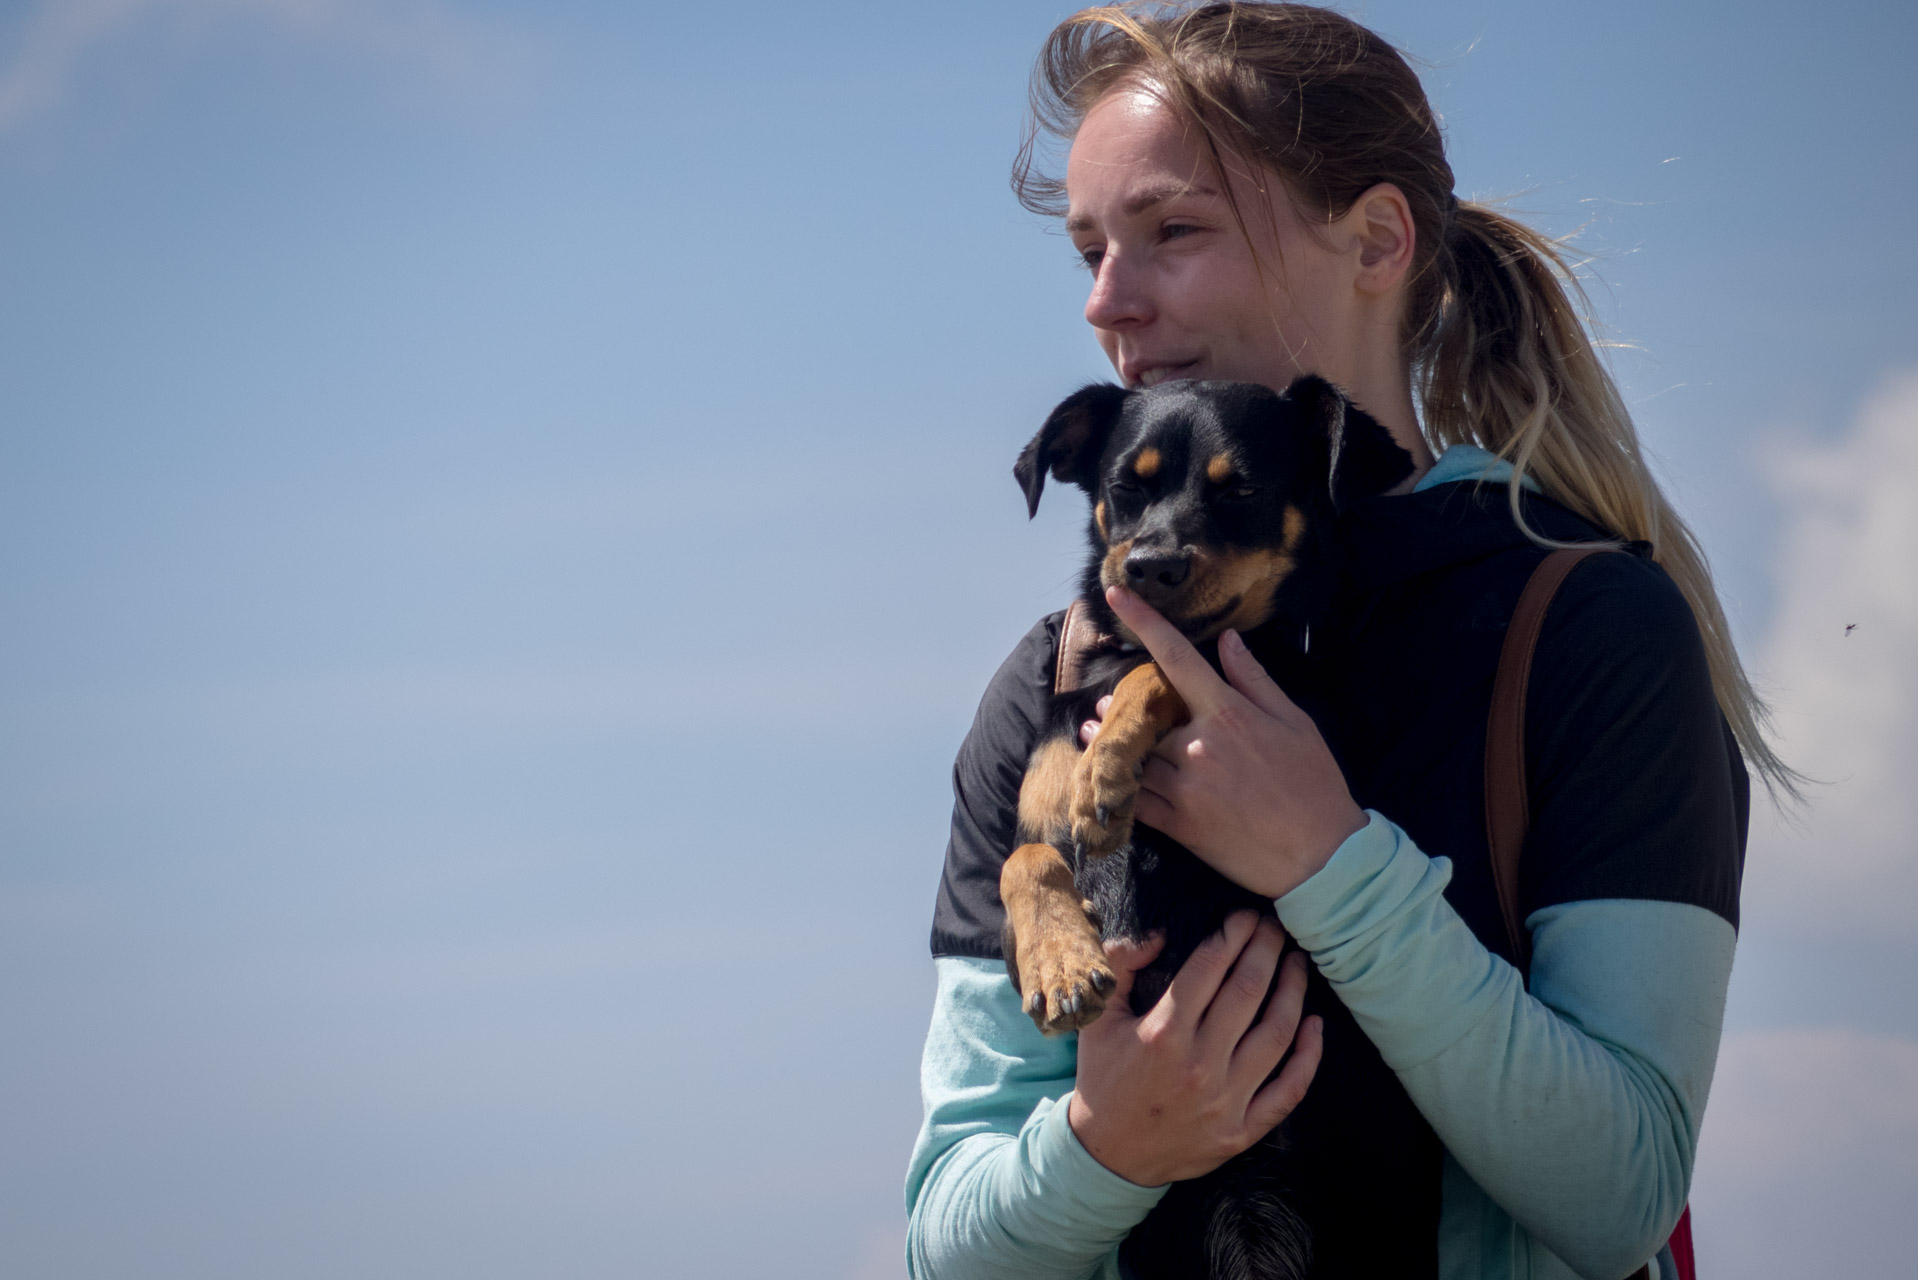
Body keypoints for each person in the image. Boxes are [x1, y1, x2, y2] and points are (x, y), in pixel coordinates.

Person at [905, 4, 1786, 1278]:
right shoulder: (1051, 681)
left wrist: (1330, 864)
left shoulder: (1587, 626)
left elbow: (1619, 1194)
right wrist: (1104, 1145)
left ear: (1375, 239)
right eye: (1089, 250)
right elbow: (947, 1245)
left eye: (1173, 232)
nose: (1109, 299)